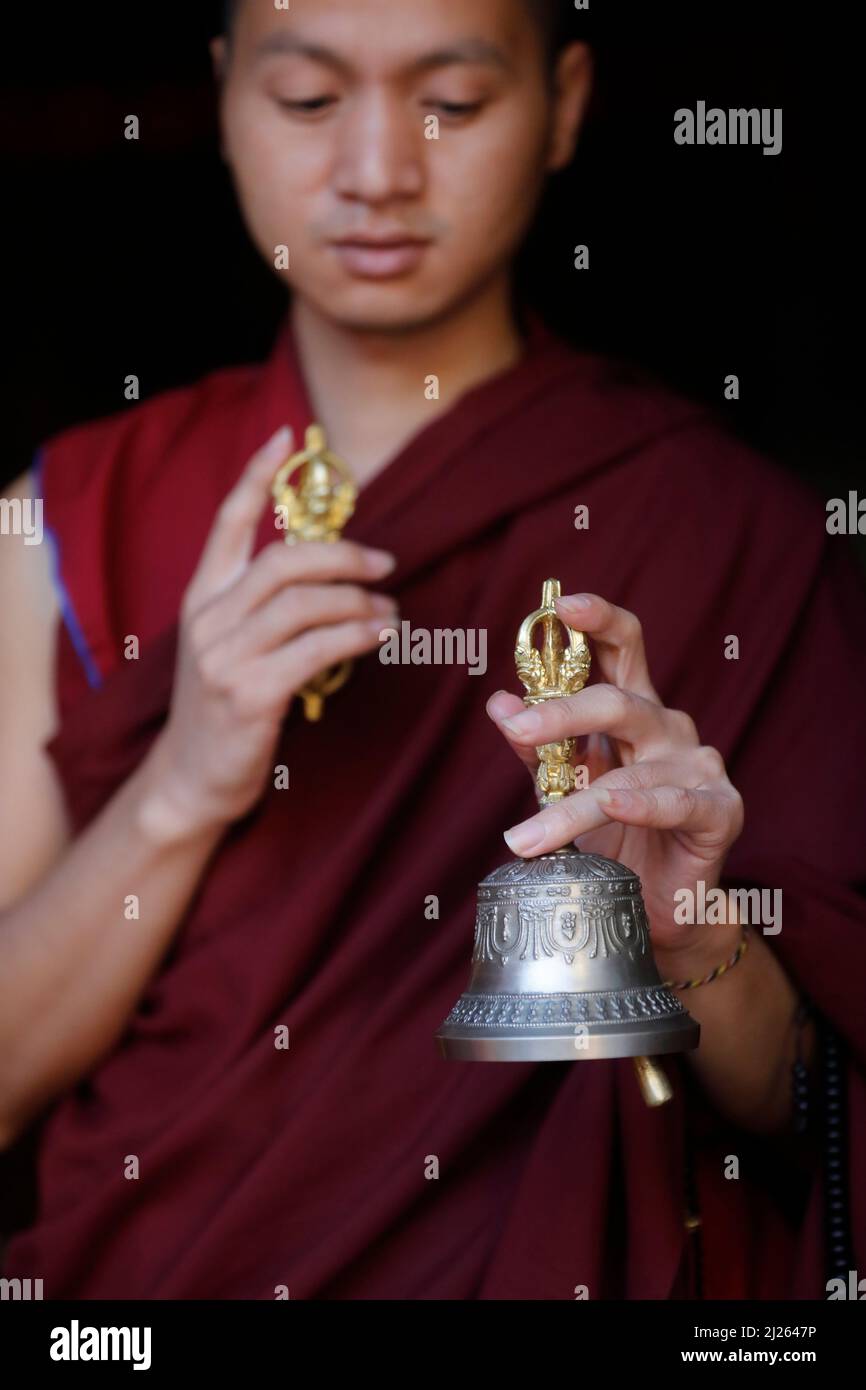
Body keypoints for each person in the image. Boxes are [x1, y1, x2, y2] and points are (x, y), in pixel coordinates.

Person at [1, 0, 864, 1301]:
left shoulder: (735, 529)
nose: (375, 171)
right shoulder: (70, 516)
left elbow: (814, 1109)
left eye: (450, 103)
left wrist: (689, 934)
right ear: (225, 94)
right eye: (306, 101)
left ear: (563, 104)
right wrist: (180, 784)